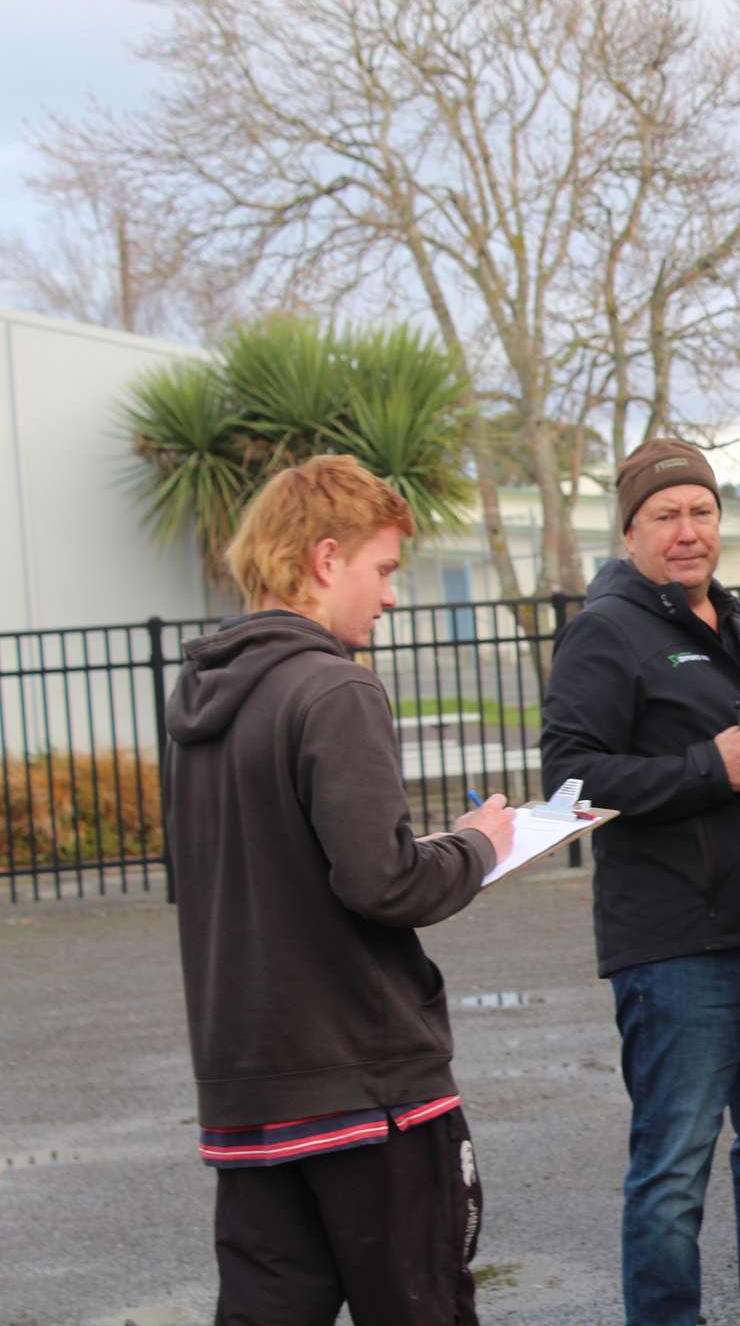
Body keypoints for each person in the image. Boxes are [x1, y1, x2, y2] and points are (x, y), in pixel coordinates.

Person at [164, 454, 517, 1325]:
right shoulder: (335, 687)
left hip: (249, 1089)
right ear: (326, 559)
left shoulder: (197, 702)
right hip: (367, 1086)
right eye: (383, 568)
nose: (391, 596)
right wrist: (478, 846)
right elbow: (382, 881)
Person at [540, 437, 740, 1326]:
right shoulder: (606, 631)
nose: (688, 531)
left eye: (703, 511)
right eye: (666, 515)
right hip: (680, 946)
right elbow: (569, 780)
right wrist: (706, 768)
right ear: (630, 533)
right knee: (674, 1169)